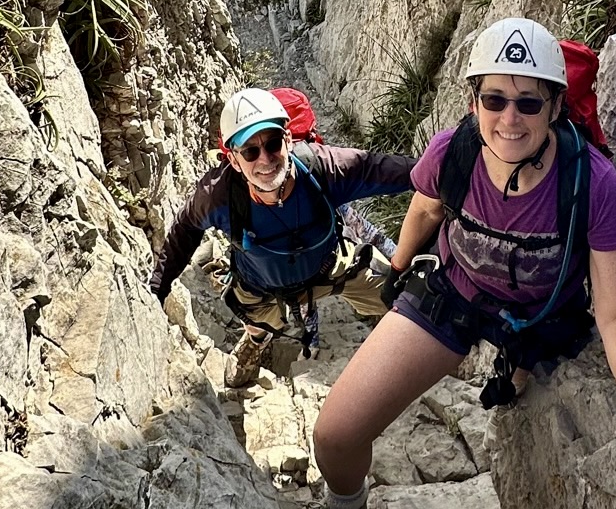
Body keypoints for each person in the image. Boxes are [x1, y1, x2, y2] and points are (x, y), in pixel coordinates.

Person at [299, 16, 616, 509]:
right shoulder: (454, 152)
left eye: (529, 103)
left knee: (518, 376)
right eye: (494, 100)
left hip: (539, 316)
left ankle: (514, 366)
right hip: (455, 294)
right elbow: (427, 208)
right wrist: (399, 267)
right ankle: (344, 507)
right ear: (473, 103)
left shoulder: (590, 181)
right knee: (335, 434)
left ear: (555, 107)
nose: (509, 119)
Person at [148, 86, 417, 387]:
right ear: (234, 160)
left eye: (273, 143)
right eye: (250, 151)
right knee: (259, 323)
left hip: (329, 267)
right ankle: (256, 339)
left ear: (288, 140)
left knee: (408, 298)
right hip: (260, 286)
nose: (265, 159)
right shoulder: (218, 196)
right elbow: (185, 228)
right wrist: (158, 287)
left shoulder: (322, 168)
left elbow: (384, 169)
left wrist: (443, 173)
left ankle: (418, 344)